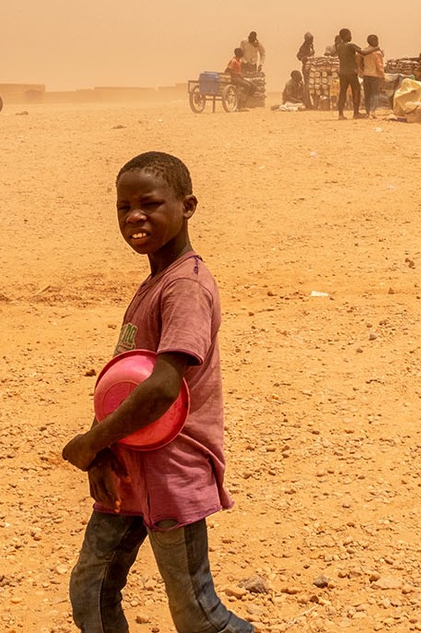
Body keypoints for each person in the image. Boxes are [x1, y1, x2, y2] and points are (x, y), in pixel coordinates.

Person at [62, 152, 253, 633]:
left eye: (149, 204)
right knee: (92, 588)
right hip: (128, 468)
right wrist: (103, 447)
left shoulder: (184, 288)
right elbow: (121, 381)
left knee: (197, 613)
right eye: (124, 207)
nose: (134, 217)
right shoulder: (156, 282)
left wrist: (89, 444)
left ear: (188, 206)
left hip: (171, 471)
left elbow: (163, 386)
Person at [334, 28, 367, 119]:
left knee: (342, 93)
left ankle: (340, 114)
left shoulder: (339, 47)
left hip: (342, 72)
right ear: (345, 36)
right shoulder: (351, 46)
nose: (351, 36)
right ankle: (356, 113)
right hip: (351, 72)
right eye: (349, 35)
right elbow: (363, 52)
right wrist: (375, 48)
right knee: (356, 91)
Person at [360, 34, 385, 117]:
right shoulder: (377, 53)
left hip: (366, 75)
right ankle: (373, 111)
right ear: (375, 41)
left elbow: (359, 62)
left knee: (367, 94)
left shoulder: (364, 51)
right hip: (374, 75)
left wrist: (362, 70)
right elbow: (379, 65)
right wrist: (382, 75)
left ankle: (367, 112)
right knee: (375, 94)